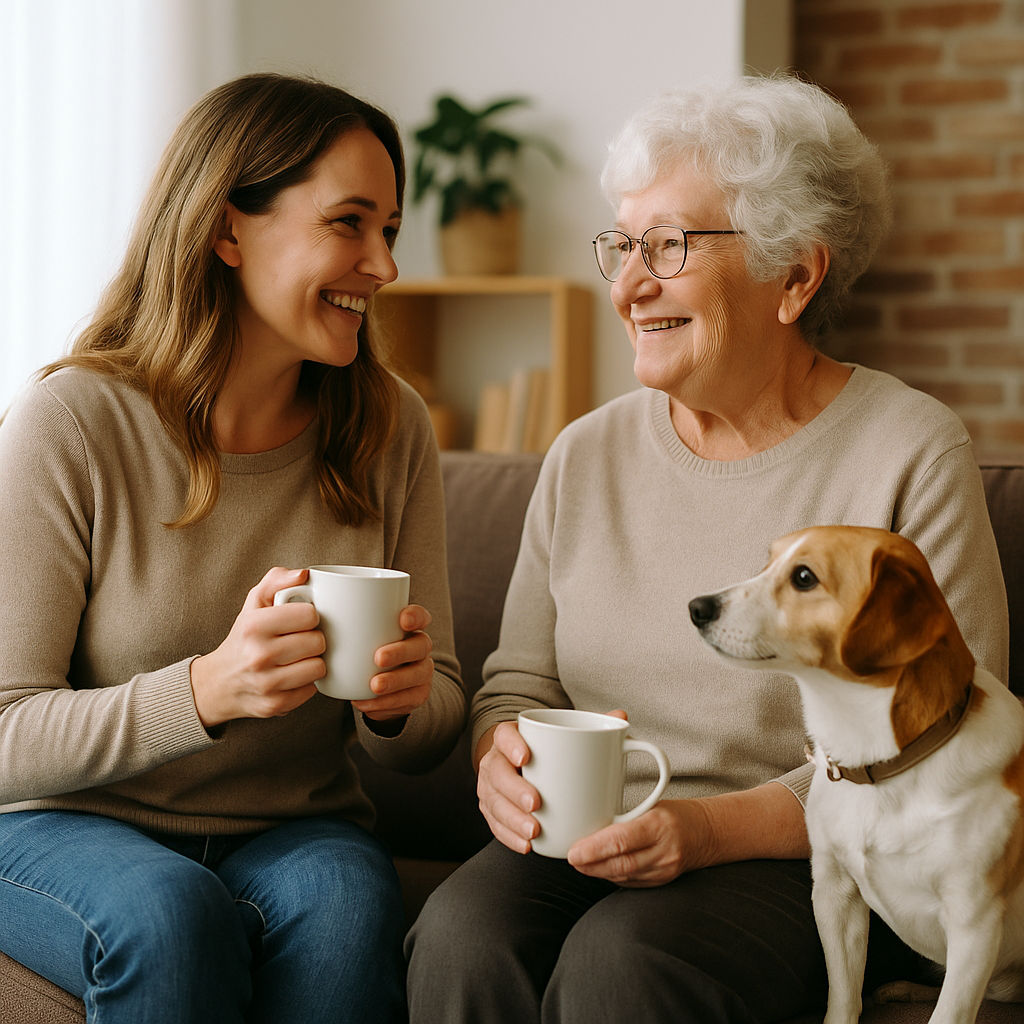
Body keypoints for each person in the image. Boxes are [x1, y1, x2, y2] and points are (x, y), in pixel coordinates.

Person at [405, 74, 1009, 1023]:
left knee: (626, 960)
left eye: (669, 246)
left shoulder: (909, 449)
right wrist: (501, 757)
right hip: (593, 832)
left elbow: (940, 733)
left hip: (805, 856)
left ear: (795, 277)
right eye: (622, 246)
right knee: (458, 934)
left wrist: (709, 830)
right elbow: (518, 684)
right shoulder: (584, 454)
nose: (628, 284)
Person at [0, 73, 465, 1024]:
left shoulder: (392, 425)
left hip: (296, 828)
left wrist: (398, 707)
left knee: (347, 905)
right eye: (350, 223)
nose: (381, 264)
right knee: (171, 915)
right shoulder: (75, 421)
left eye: (390, 229)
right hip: (70, 824)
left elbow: (433, 726)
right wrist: (206, 691)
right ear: (227, 230)